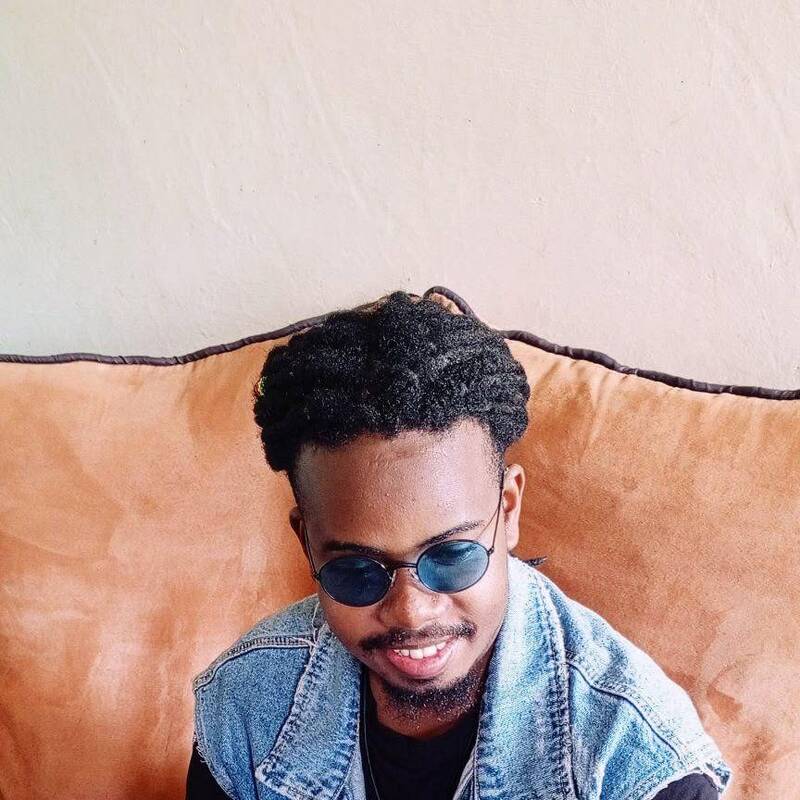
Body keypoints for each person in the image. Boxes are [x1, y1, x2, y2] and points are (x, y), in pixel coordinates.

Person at [186, 290, 733, 800]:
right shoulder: (246, 705)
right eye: (357, 569)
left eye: (451, 556)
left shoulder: (635, 761)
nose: (410, 610)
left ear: (508, 510)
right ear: (307, 542)